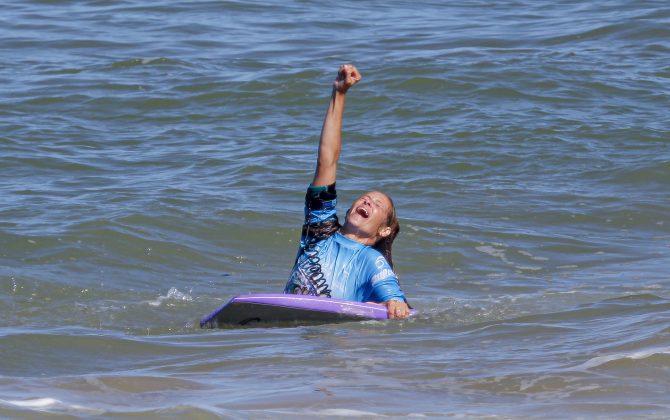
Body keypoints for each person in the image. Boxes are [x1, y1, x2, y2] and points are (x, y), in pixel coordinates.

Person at [283, 64, 411, 319]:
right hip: (295, 345)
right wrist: (339, 94)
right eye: (365, 198)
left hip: (334, 338)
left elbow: (391, 291)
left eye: (378, 204)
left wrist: (396, 302)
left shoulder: (372, 261)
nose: (367, 201)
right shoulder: (319, 232)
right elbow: (326, 161)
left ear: (384, 230)